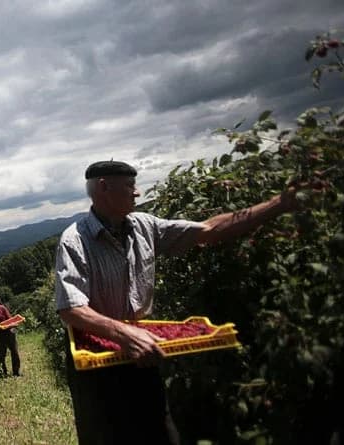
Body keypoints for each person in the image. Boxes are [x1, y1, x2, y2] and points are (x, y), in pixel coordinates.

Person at [54, 160, 298, 445]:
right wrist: (122, 333)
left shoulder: (145, 226)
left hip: (143, 353)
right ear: (104, 187)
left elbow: (208, 230)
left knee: (159, 431)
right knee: (105, 435)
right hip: (96, 363)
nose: (137, 193)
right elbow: (70, 308)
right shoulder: (75, 241)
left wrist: (279, 203)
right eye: (130, 185)